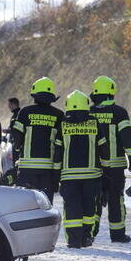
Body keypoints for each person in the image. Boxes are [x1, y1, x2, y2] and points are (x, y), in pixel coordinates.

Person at [53, 90, 109, 248]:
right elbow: (103, 148)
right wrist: (107, 170)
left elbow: (57, 152)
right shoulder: (94, 122)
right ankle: (86, 238)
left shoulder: (62, 124)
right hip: (92, 176)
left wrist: (56, 174)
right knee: (89, 208)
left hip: (69, 177)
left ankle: (73, 240)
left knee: (71, 208)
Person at [89, 76, 131, 243]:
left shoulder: (89, 112)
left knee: (94, 200)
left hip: (94, 167)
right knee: (116, 200)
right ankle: (117, 235)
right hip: (115, 167)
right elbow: (127, 138)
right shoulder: (119, 112)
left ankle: (90, 234)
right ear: (112, 92)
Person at [11, 77, 64, 202]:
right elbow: (60, 143)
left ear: (34, 95)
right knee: (45, 204)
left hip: (27, 169)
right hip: (48, 169)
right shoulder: (58, 115)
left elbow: (17, 136)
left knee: (25, 205)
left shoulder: (25, 112)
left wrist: (17, 150)